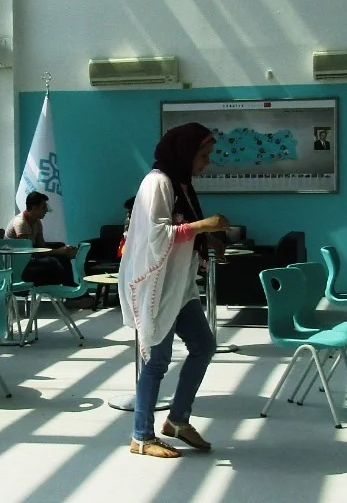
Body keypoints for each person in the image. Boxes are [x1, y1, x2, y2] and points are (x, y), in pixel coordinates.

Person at [119, 122, 228, 459]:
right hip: (158, 286)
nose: (207, 162)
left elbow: (182, 229)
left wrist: (207, 238)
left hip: (178, 286)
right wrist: (204, 225)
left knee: (204, 346)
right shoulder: (157, 183)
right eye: (204, 155)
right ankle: (141, 436)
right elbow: (156, 236)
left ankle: (177, 420)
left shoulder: (181, 184)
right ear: (185, 152)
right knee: (157, 361)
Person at [7, 191, 76, 286]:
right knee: (52, 262)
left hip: (28, 255)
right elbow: (27, 253)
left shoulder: (37, 222)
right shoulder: (21, 223)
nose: (46, 210)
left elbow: (41, 247)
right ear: (34, 208)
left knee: (61, 249)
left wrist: (64, 251)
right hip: (18, 263)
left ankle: (69, 285)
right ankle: (57, 287)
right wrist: (58, 251)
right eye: (43, 207)